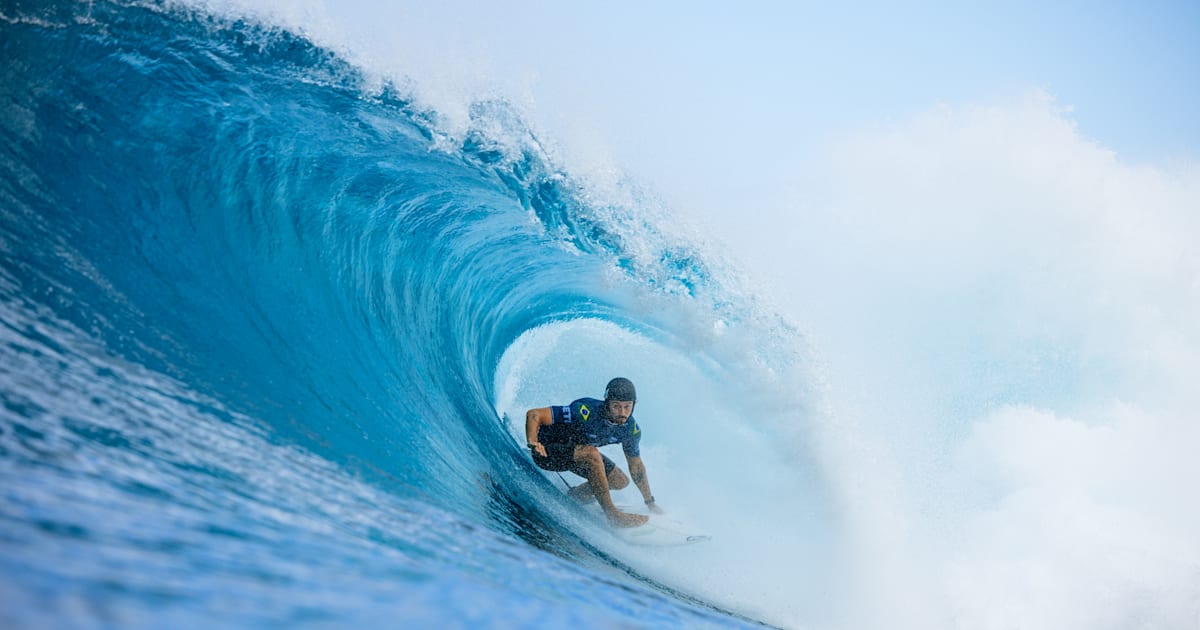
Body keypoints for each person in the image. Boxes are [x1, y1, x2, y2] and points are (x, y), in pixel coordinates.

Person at [525, 377, 663, 528]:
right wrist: (533, 443)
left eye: (627, 407)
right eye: (616, 406)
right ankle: (613, 515)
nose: (622, 412)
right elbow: (534, 414)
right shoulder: (585, 410)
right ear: (607, 403)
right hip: (547, 453)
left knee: (620, 481)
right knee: (592, 453)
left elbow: (636, 466)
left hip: (576, 456)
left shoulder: (630, 430)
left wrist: (650, 502)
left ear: (633, 405)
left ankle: (575, 497)